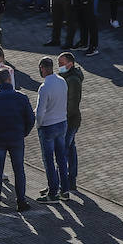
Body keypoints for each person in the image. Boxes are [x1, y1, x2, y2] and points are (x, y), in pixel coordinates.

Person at [0, 67, 36, 212]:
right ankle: (21, 201)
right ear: (9, 79)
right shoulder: (21, 97)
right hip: (16, 138)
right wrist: (23, 132)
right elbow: (30, 118)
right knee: (19, 169)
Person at [35, 56, 70, 201]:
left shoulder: (44, 88)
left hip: (48, 126)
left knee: (48, 160)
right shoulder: (62, 82)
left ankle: (53, 192)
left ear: (43, 68)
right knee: (61, 158)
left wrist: (38, 124)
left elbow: (41, 111)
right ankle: (64, 190)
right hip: (62, 123)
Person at [59, 51, 84, 194]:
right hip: (71, 120)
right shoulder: (67, 77)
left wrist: (61, 117)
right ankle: (71, 180)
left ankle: (61, 183)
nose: (60, 67)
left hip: (69, 121)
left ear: (70, 64)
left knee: (62, 151)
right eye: (59, 64)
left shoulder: (72, 80)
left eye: (62, 64)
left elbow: (72, 104)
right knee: (70, 149)